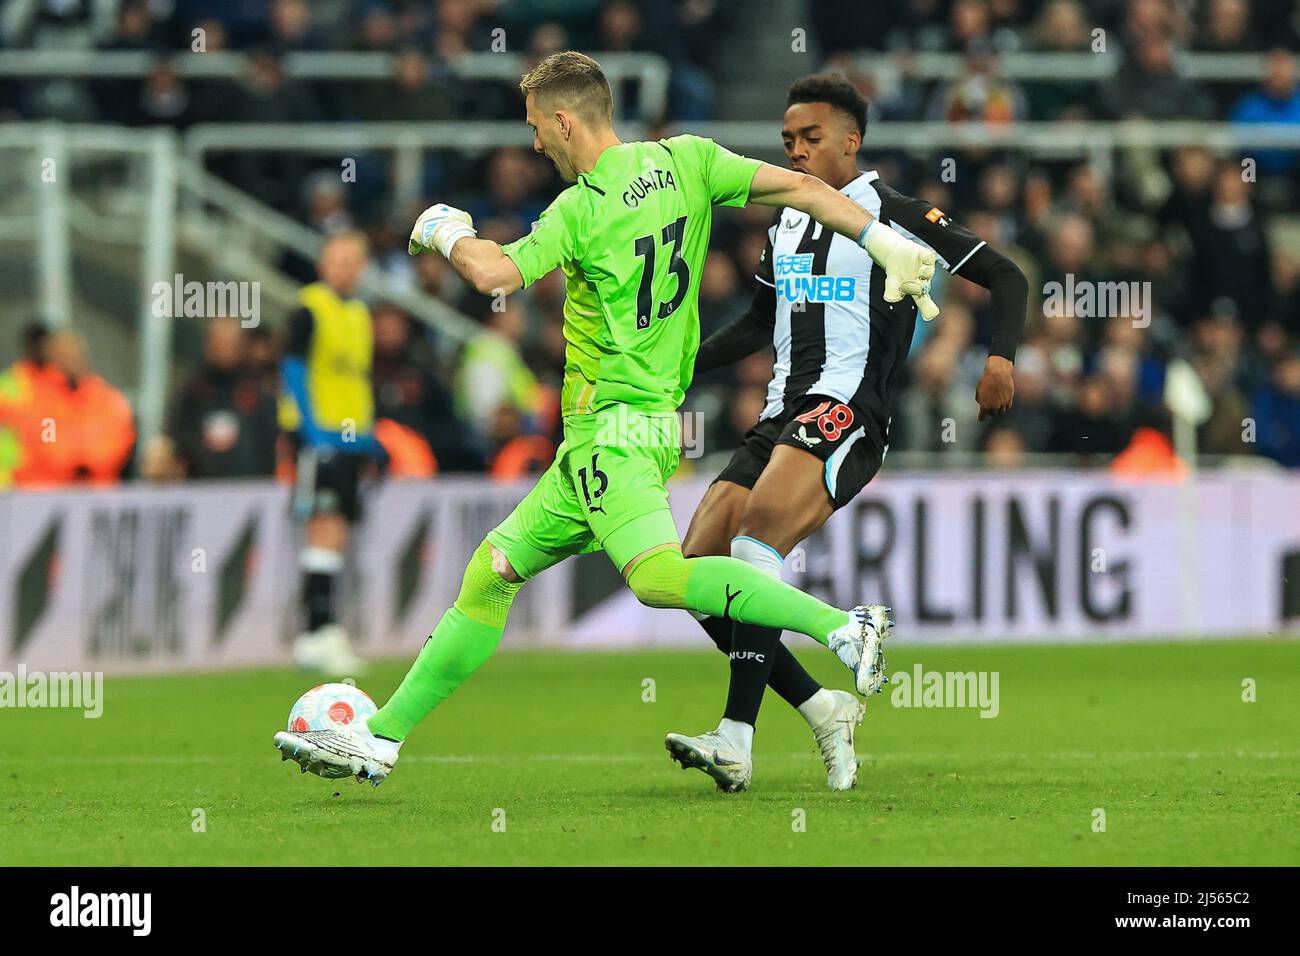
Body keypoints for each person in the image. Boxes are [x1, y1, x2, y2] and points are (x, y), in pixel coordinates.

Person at [273, 51, 939, 792]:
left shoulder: (581, 207)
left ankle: (843, 628)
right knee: (492, 573)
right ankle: (381, 738)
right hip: (622, 436)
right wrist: (882, 241)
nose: (533, 145)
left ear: (564, 120)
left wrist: (442, 230)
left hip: (613, 433)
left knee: (658, 578)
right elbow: (807, 189)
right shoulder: (688, 160)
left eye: (535, 128)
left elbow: (494, 274)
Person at [675, 74, 1027, 791]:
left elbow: (1007, 275)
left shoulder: (892, 215)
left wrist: (999, 357)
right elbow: (754, 326)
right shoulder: (786, 221)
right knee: (698, 574)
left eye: (810, 138)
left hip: (848, 414)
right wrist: (675, 368)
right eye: (787, 141)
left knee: (755, 543)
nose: (796, 151)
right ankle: (823, 706)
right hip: (779, 418)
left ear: (851, 141)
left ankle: (737, 739)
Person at [280, 232, 386, 675]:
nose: (345, 268)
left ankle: (314, 637)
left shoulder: (360, 313)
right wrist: (311, 430)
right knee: (323, 529)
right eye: (337, 260)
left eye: (353, 261)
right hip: (321, 440)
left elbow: (355, 380)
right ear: (323, 263)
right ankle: (320, 628)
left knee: (336, 532)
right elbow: (292, 367)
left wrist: (368, 437)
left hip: (351, 441)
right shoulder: (309, 307)